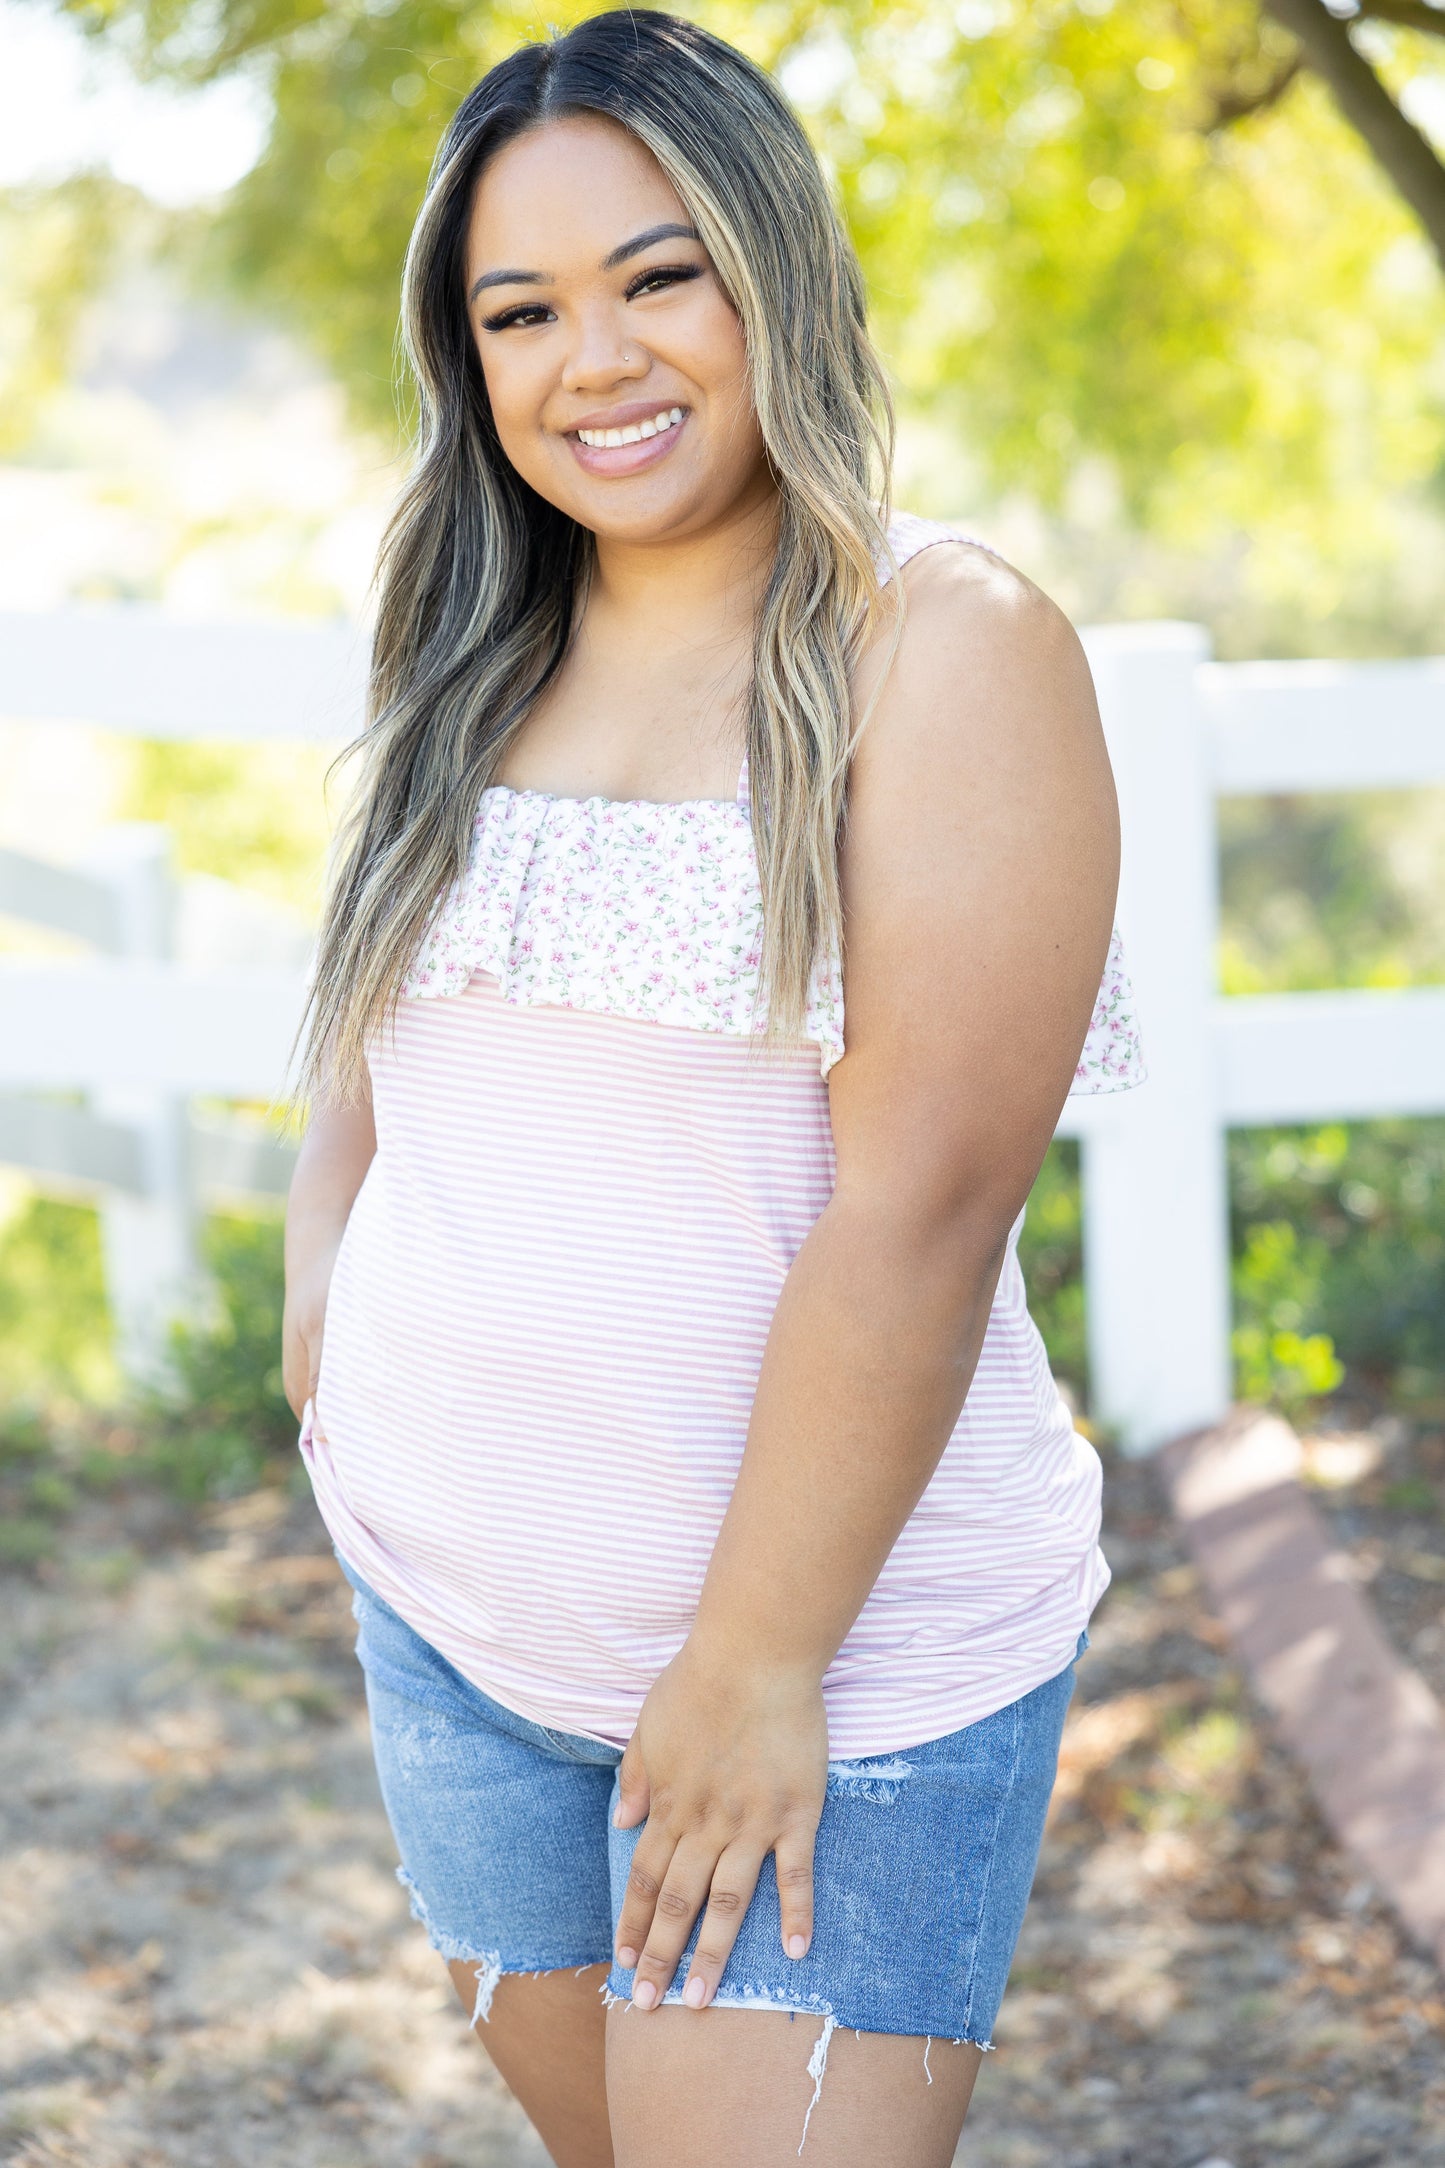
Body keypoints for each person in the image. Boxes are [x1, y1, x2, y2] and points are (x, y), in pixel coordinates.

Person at [282, 13, 1144, 2165]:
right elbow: (387, 1030)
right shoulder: (462, 622)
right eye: (522, 310)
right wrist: (327, 1335)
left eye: (658, 276)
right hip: (460, 1634)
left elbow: (920, 1213)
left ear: (776, 269)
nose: (594, 358)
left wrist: (757, 1665)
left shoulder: (939, 642)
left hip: (831, 1673)